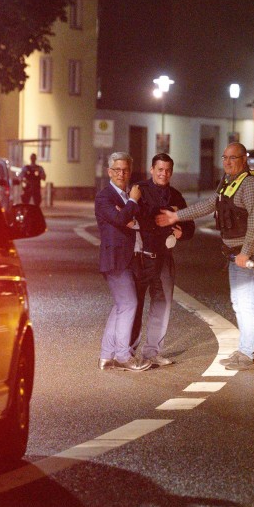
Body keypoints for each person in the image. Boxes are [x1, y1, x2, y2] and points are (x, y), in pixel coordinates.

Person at [157, 141, 254, 370]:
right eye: (225, 157)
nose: (227, 162)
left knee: (247, 303)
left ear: (244, 160)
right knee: (239, 303)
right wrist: (176, 217)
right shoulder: (228, 182)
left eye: (233, 158)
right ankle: (243, 351)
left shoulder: (250, 185)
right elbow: (210, 204)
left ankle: (247, 355)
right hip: (236, 252)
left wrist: (246, 251)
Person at [128, 153, 194, 366]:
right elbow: (137, 217)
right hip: (141, 257)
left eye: (167, 170)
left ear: (171, 172)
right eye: (160, 169)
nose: (163, 174)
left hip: (165, 258)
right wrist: (162, 217)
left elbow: (190, 226)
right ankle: (127, 352)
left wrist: (181, 232)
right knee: (134, 305)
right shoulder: (139, 190)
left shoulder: (175, 196)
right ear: (151, 169)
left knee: (162, 305)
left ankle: (152, 353)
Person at [94, 152, 151, 372]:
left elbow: (135, 220)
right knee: (129, 304)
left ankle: (107, 356)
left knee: (120, 306)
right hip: (116, 259)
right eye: (117, 170)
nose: (121, 173)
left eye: (125, 170)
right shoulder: (105, 197)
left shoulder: (126, 195)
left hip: (131, 257)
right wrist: (132, 203)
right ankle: (123, 356)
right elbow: (119, 219)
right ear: (109, 172)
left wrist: (129, 212)